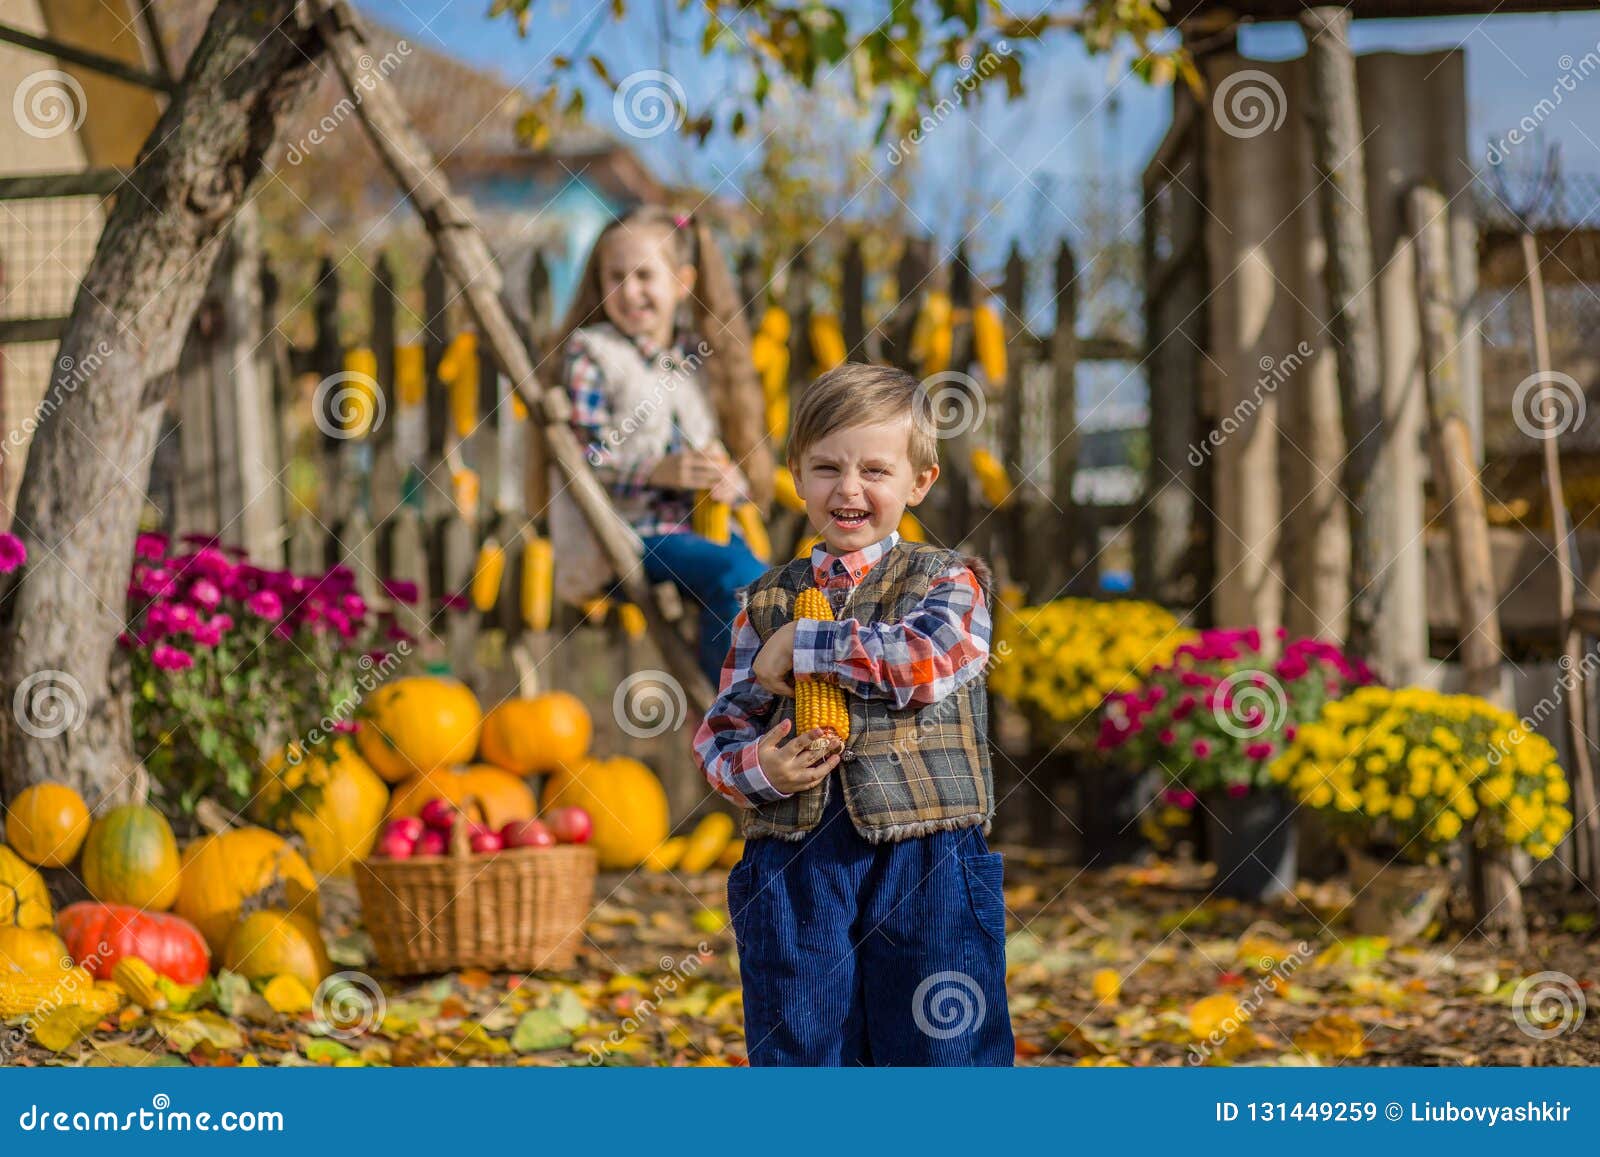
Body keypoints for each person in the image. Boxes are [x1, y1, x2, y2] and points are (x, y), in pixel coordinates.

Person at [691, 363, 1013, 1066]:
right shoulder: (765, 599)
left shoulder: (946, 580)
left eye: (875, 469)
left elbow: (932, 659)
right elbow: (721, 727)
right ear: (797, 477)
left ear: (918, 481)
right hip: (797, 860)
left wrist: (807, 646)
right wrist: (760, 768)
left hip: (927, 853)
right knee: (802, 1035)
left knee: (942, 1040)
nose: (849, 488)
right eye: (826, 467)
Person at [549, 205, 773, 688]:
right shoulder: (591, 354)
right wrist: (658, 470)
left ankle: (757, 700)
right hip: (626, 535)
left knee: (772, 589)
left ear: (682, 282)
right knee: (735, 574)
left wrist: (726, 479)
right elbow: (583, 458)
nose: (630, 291)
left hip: (692, 531)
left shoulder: (690, 361)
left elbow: (702, 445)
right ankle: (728, 710)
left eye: (644, 275)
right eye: (615, 277)